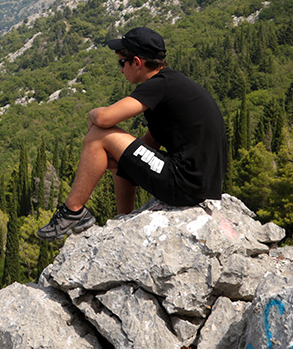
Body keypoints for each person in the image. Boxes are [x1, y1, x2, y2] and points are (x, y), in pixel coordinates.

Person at [35, 26, 228, 240]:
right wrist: (115, 155)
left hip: (184, 184)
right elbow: (149, 144)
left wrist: (92, 116)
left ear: (136, 62)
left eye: (122, 62)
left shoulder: (159, 85)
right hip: (196, 183)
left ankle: (73, 211)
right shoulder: (173, 84)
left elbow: (105, 119)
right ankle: (123, 218)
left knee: (99, 134)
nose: (120, 70)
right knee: (123, 154)